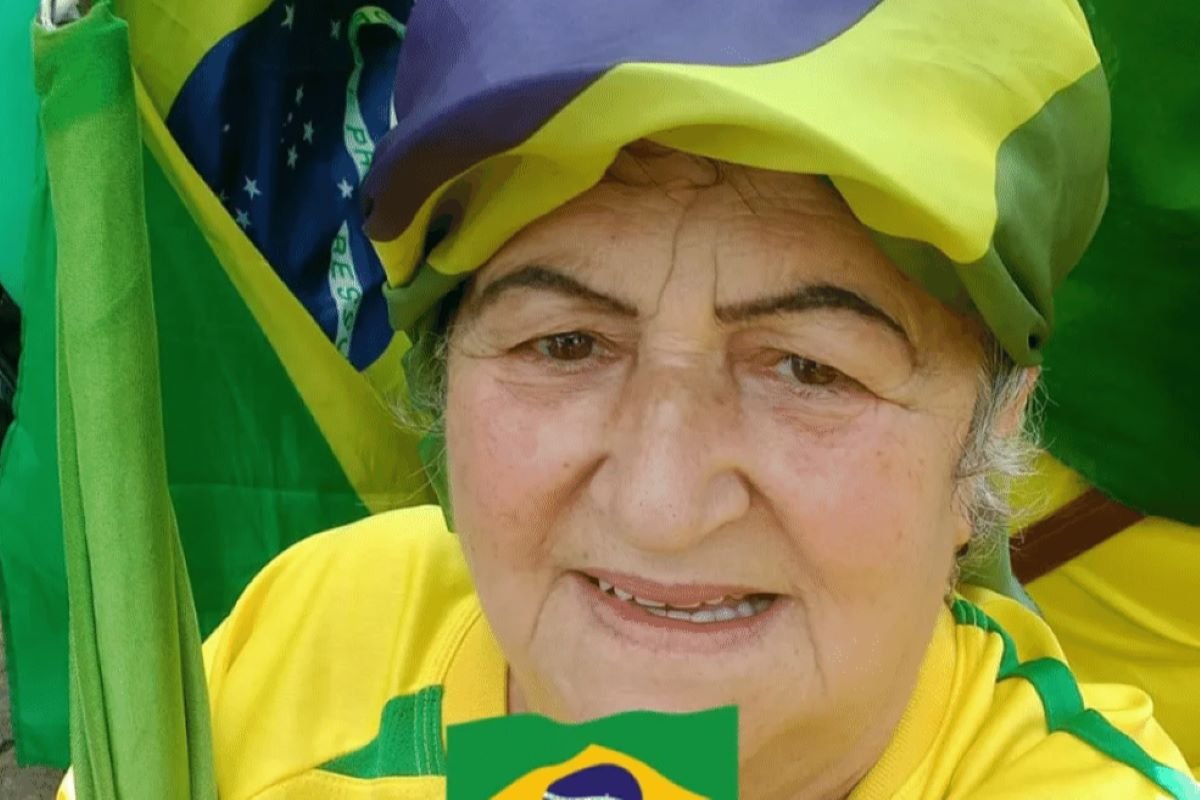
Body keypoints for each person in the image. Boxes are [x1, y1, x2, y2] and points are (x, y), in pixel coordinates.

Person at [58, 0, 1200, 798]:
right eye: (566, 344)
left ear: (994, 430)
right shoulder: (307, 639)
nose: (661, 506)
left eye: (808, 368)